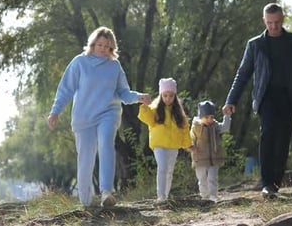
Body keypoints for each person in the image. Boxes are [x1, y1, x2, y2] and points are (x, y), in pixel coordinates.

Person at [47, 26, 151, 207]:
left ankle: (106, 192)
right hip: (84, 117)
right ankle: (86, 202)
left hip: (108, 113)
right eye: (100, 45)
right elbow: (66, 89)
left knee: (106, 144)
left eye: (107, 46)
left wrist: (138, 97)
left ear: (112, 48)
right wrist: (55, 111)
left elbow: (122, 92)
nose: (103, 49)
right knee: (85, 158)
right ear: (93, 44)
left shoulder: (114, 66)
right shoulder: (80, 62)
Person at [222, 3, 292, 198]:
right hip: (266, 98)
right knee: (267, 136)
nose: (273, 26)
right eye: (269, 22)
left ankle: (275, 183)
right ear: (264, 21)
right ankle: (266, 183)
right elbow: (243, 74)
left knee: (282, 141)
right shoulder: (255, 44)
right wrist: (231, 100)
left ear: (282, 20)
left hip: (289, 97)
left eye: (277, 22)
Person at [137, 78, 192, 203]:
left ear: (175, 95)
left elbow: (184, 129)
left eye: (171, 95)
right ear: (161, 95)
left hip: (173, 146)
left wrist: (188, 145)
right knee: (162, 167)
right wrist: (145, 106)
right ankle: (160, 196)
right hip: (159, 145)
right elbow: (146, 117)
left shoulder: (178, 112)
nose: (168, 98)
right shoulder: (155, 109)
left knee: (170, 170)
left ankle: (166, 196)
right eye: (165, 95)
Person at [189, 100, 231, 202]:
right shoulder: (196, 127)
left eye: (212, 117)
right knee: (202, 179)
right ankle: (204, 197)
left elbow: (225, 128)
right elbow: (190, 138)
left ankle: (213, 196)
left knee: (213, 178)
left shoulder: (215, 126)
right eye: (206, 117)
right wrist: (190, 147)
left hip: (214, 158)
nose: (209, 119)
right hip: (200, 158)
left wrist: (227, 116)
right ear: (201, 116)